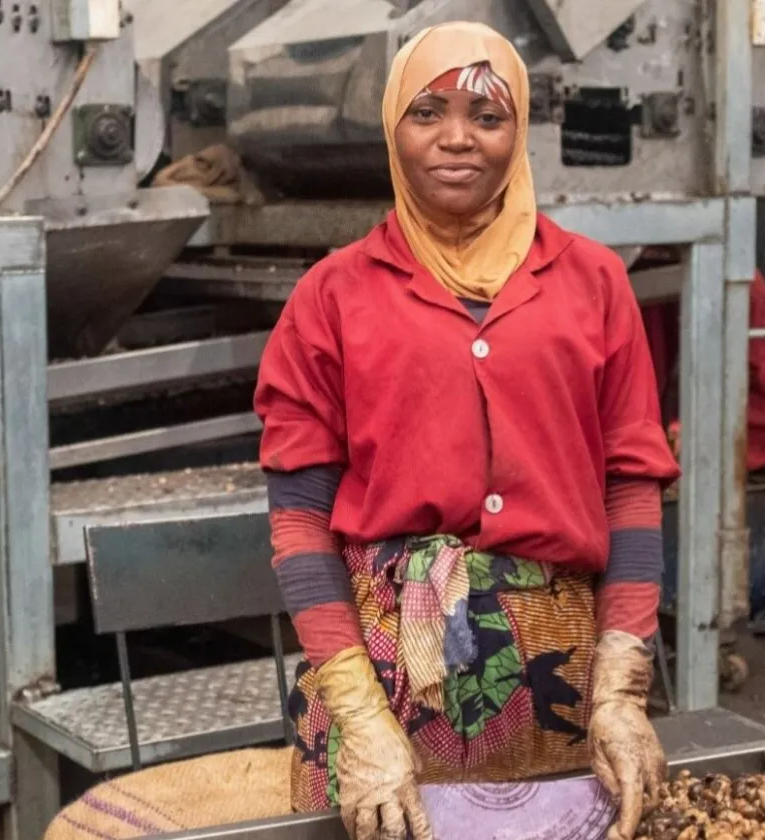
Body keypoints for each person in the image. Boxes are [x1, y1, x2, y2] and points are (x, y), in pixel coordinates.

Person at [253, 20, 681, 840]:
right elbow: (300, 520)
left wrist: (621, 693)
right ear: (392, 129)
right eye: (427, 112)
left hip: (561, 693)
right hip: (382, 688)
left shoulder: (592, 281)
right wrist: (359, 718)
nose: (457, 140)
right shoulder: (332, 295)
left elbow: (630, 488)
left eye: (487, 117)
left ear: (519, 133)